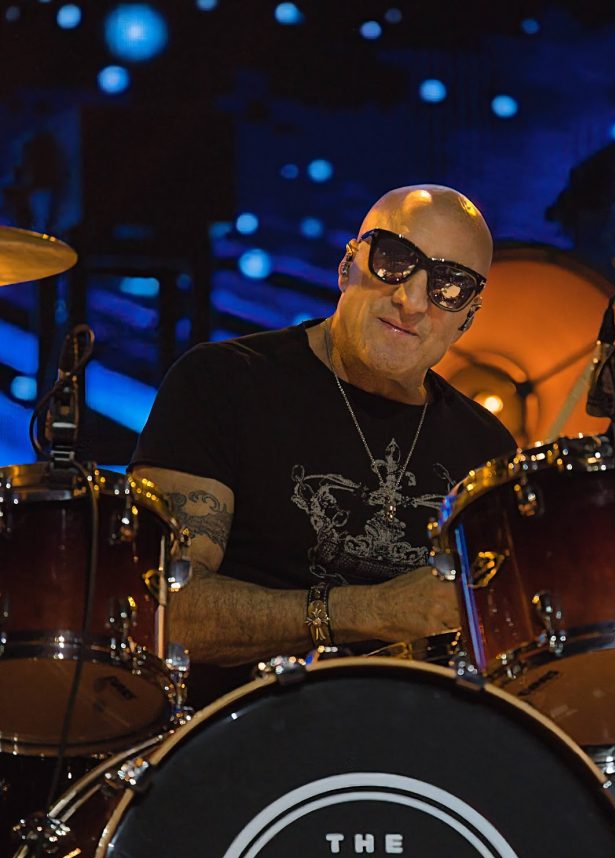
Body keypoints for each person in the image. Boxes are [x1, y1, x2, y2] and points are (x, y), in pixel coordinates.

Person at [130, 184, 515, 701]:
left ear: (468, 315)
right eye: (394, 260)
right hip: (239, 728)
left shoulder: (487, 450)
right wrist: (372, 611)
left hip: (418, 736)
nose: (411, 301)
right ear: (347, 265)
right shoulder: (222, 383)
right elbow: (160, 610)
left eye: (449, 286)